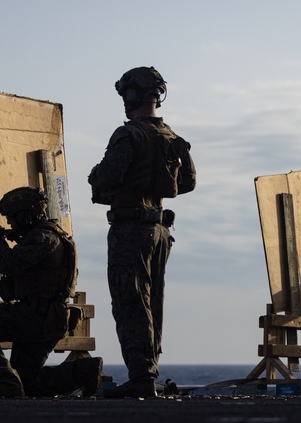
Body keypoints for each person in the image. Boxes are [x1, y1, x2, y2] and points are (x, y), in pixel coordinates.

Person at [88, 66, 196, 398]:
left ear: (133, 95)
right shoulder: (170, 136)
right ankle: (148, 371)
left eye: (126, 94)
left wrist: (95, 175)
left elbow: (108, 176)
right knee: (152, 302)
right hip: (159, 230)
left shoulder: (129, 134)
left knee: (130, 301)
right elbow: (187, 183)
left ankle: (142, 376)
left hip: (131, 229)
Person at [0, 187, 102, 398]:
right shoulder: (50, 235)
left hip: (37, 316)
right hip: (46, 317)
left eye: (13, 217)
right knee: (28, 383)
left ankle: (4, 381)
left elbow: (10, 264)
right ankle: (84, 371)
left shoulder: (43, 238)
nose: (10, 223)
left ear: (26, 215)